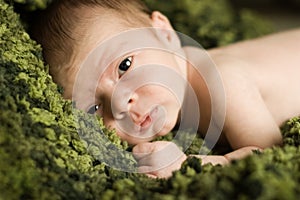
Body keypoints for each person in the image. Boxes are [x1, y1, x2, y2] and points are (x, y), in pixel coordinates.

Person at [31, 0, 300, 178]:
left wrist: (189, 165)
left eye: (124, 65)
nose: (121, 105)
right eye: (94, 107)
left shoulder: (223, 83)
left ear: (165, 33)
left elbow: (272, 156)